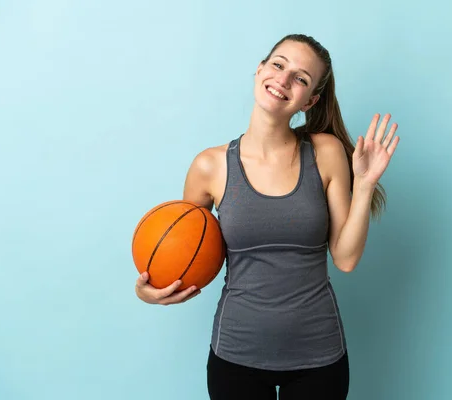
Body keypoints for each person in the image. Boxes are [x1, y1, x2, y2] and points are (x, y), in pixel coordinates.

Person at [135, 33, 400, 399]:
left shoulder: (326, 152)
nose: (284, 79)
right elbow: (186, 258)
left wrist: (366, 183)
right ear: (260, 69)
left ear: (310, 101)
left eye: (301, 78)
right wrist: (152, 290)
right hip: (235, 357)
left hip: (318, 358)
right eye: (278, 64)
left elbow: (346, 258)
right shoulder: (209, 166)